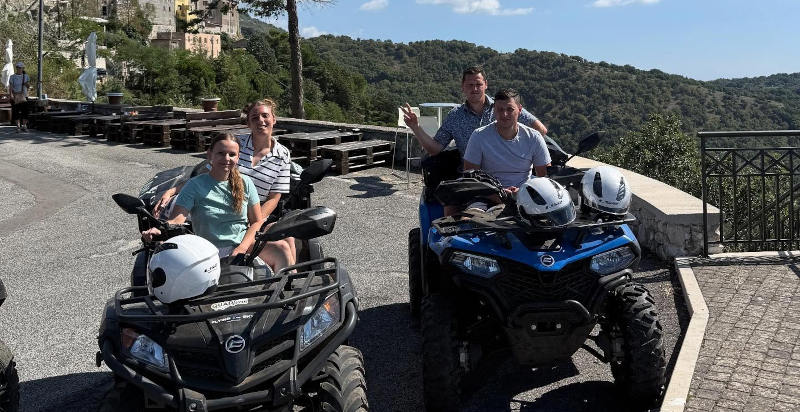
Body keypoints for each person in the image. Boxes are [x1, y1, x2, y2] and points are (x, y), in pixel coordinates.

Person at [152, 98, 296, 264]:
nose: (261, 121)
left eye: (265, 116)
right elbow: (207, 176)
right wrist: (172, 190)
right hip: (229, 213)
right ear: (248, 123)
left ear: (274, 119)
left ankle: (289, 284)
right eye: (255, 118)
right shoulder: (235, 145)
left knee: (289, 240)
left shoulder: (282, 155)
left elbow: (274, 197)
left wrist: (255, 223)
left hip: (256, 212)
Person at [401, 65, 547, 157]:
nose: (475, 89)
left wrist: (519, 155)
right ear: (462, 86)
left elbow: (540, 130)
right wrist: (415, 127)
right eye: (470, 85)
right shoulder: (455, 116)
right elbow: (435, 148)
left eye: (478, 84)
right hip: (473, 177)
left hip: (507, 173)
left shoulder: (503, 107)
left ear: (486, 85)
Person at [462, 88, 551, 211]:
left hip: (525, 195)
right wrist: (496, 193)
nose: (504, 114)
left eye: (510, 109)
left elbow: (545, 177)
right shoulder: (479, 136)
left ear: (519, 110)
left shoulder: (534, 137)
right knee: (470, 221)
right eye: (500, 109)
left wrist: (523, 191)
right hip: (487, 196)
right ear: (494, 111)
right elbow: (471, 177)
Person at [8, 62, 30, 133]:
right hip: (16, 96)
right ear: (16, 68)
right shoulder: (12, 77)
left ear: (23, 68)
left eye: (21, 68)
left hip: (24, 96)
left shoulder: (26, 76)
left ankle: (24, 126)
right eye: (18, 67)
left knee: (25, 111)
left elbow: (28, 86)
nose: (19, 69)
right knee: (15, 111)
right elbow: (10, 87)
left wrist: (26, 84)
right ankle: (18, 126)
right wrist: (10, 94)